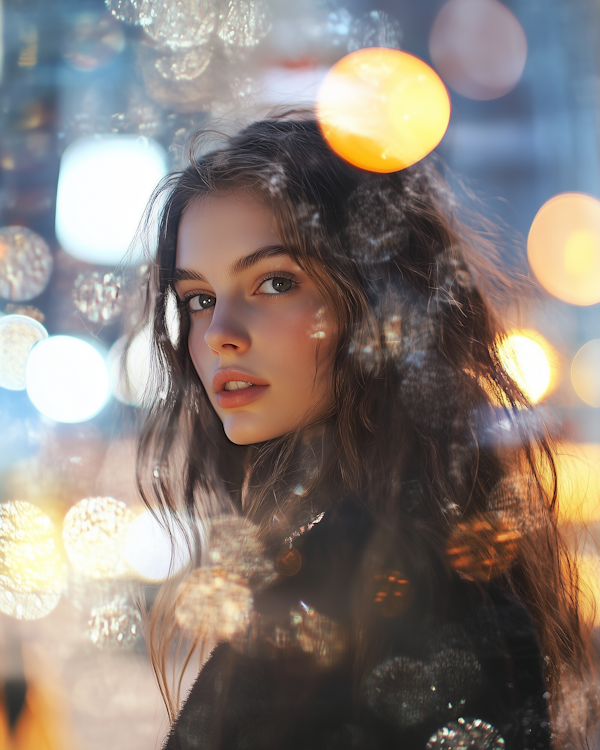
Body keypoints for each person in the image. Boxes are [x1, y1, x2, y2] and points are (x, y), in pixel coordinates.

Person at [133, 116, 597, 749]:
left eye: (275, 282)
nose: (219, 334)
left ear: (377, 305)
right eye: (198, 298)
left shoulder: (414, 590)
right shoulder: (354, 559)